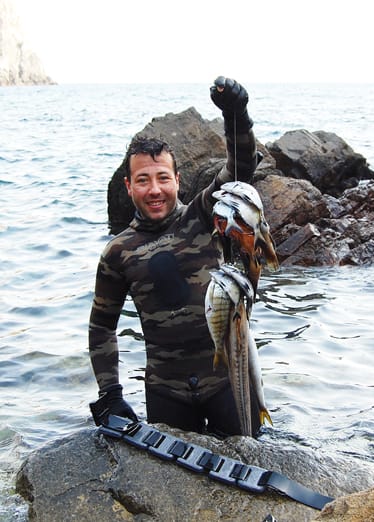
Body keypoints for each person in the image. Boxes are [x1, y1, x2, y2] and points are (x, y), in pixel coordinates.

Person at [89, 77, 261, 437]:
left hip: (228, 382)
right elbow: (102, 327)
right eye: (143, 180)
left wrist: (237, 115)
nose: (154, 190)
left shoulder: (203, 214)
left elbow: (241, 169)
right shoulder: (117, 252)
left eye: (163, 178)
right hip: (166, 392)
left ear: (178, 180)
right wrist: (111, 392)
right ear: (128, 186)